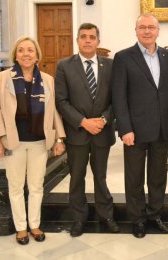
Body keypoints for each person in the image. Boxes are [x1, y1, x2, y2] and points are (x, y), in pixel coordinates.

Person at [0, 36, 66, 245]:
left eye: (30, 50)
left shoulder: (48, 79)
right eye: (21, 50)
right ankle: (20, 228)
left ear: (37, 55)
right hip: (13, 141)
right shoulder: (4, 78)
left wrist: (59, 138)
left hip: (40, 142)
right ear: (15, 54)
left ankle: (34, 225)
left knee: (36, 186)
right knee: (15, 186)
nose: (26, 54)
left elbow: (54, 112)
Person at [112, 14, 168, 238]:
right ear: (136, 30)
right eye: (143, 27)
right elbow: (119, 97)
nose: (147, 31)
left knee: (158, 176)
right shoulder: (123, 57)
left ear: (158, 31)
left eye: (151, 27)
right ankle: (138, 218)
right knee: (134, 177)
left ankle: (154, 214)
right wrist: (124, 129)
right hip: (135, 130)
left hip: (161, 128)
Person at [55, 23, 119, 237]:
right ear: (77, 41)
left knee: (100, 177)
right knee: (76, 177)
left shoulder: (110, 65)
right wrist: (83, 122)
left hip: (102, 131)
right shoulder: (64, 66)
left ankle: (106, 215)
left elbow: (117, 100)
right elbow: (61, 101)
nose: (88, 40)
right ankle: (78, 218)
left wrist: (103, 119)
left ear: (98, 41)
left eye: (92, 36)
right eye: (83, 36)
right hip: (77, 133)